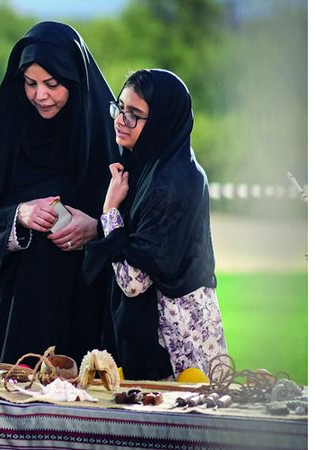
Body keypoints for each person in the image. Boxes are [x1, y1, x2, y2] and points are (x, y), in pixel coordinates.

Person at [0, 21, 119, 367]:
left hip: (87, 311)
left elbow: (144, 226)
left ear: (75, 81)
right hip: (15, 314)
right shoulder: (2, 134)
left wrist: (97, 229)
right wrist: (16, 216)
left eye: (52, 84)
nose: (40, 95)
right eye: (30, 83)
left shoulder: (109, 137)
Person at [84, 69, 227, 380]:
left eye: (135, 114)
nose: (121, 120)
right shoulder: (150, 165)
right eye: (120, 108)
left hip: (177, 343)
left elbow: (134, 282)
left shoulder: (169, 183)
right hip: (170, 336)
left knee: (176, 426)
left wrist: (110, 210)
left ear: (162, 120)